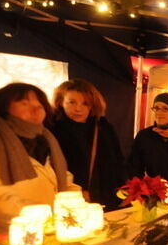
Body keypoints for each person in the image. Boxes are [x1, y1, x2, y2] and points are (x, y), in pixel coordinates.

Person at [0, 83, 79, 232]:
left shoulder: (46, 141)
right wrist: (49, 219)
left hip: (51, 232)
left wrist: (79, 204)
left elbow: (63, 181)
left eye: (39, 104)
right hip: (8, 237)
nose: (36, 109)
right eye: (24, 103)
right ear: (2, 108)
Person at [49, 79, 126, 211]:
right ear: (60, 102)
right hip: (70, 198)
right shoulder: (52, 129)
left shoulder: (103, 127)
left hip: (107, 194)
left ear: (92, 105)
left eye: (85, 103)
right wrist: (75, 191)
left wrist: (123, 191)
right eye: (71, 102)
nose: (78, 108)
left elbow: (117, 161)